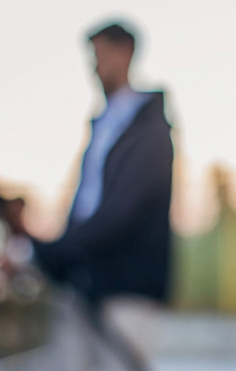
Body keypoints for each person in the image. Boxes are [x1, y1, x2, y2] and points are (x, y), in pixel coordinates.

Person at [3, 21, 173, 371]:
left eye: (101, 55)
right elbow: (86, 207)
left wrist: (45, 252)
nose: (94, 66)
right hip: (86, 285)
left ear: (125, 53)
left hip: (126, 290)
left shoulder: (150, 132)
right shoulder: (102, 124)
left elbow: (120, 213)